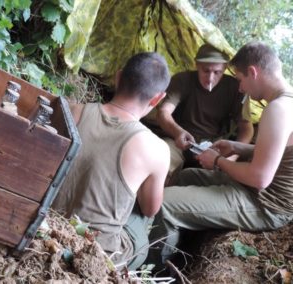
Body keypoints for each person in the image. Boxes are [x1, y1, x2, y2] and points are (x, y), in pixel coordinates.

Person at [149, 42, 293, 265]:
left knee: (164, 203)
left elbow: (260, 178)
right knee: (187, 176)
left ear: (253, 72)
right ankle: (183, 235)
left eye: (240, 79)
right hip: (256, 190)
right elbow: (279, 152)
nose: (241, 88)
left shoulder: (277, 109)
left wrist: (217, 160)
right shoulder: (287, 101)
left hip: (265, 203)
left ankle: (156, 269)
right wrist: (237, 147)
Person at [52, 52, 171, 270]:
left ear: (118, 78)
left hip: (49, 226)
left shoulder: (74, 111)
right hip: (96, 254)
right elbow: (149, 209)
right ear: (157, 99)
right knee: (143, 222)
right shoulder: (157, 149)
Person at [143, 43, 253, 184]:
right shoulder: (182, 80)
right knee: (161, 163)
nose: (210, 78)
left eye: (217, 72)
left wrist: (233, 155)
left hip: (214, 146)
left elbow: (246, 127)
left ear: (225, 68)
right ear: (196, 65)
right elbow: (163, 112)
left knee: (216, 181)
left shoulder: (236, 88)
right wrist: (178, 132)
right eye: (206, 71)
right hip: (178, 140)